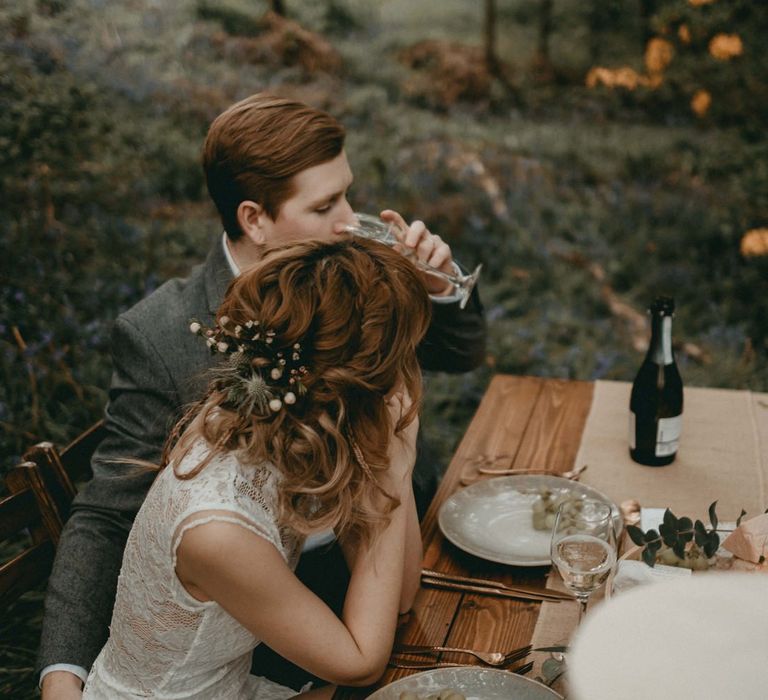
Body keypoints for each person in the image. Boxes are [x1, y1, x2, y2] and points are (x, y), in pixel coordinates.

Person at [39, 93, 486, 698]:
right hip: (258, 610)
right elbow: (105, 515)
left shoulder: (352, 272)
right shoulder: (162, 334)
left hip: (360, 553)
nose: (352, 221)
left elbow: (458, 356)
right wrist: (61, 677)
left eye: (348, 194)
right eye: (325, 204)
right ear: (254, 219)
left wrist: (437, 290)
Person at [82, 238, 429, 698]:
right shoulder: (218, 529)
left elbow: (401, 600)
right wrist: (392, 472)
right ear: (352, 389)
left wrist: (394, 472)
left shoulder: (285, 429)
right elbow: (360, 661)